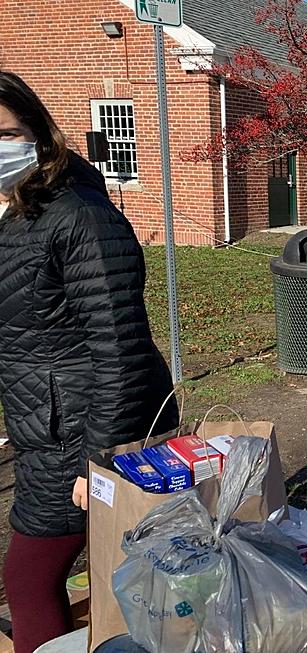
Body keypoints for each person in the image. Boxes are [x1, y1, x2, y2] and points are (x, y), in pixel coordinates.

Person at [0, 71, 178, 653]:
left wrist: (95, 462)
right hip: (41, 424)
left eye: (5, 133)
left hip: (84, 429)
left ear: (37, 133)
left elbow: (121, 347)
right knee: (118, 572)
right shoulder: (11, 214)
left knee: (30, 576)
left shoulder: (76, 214)